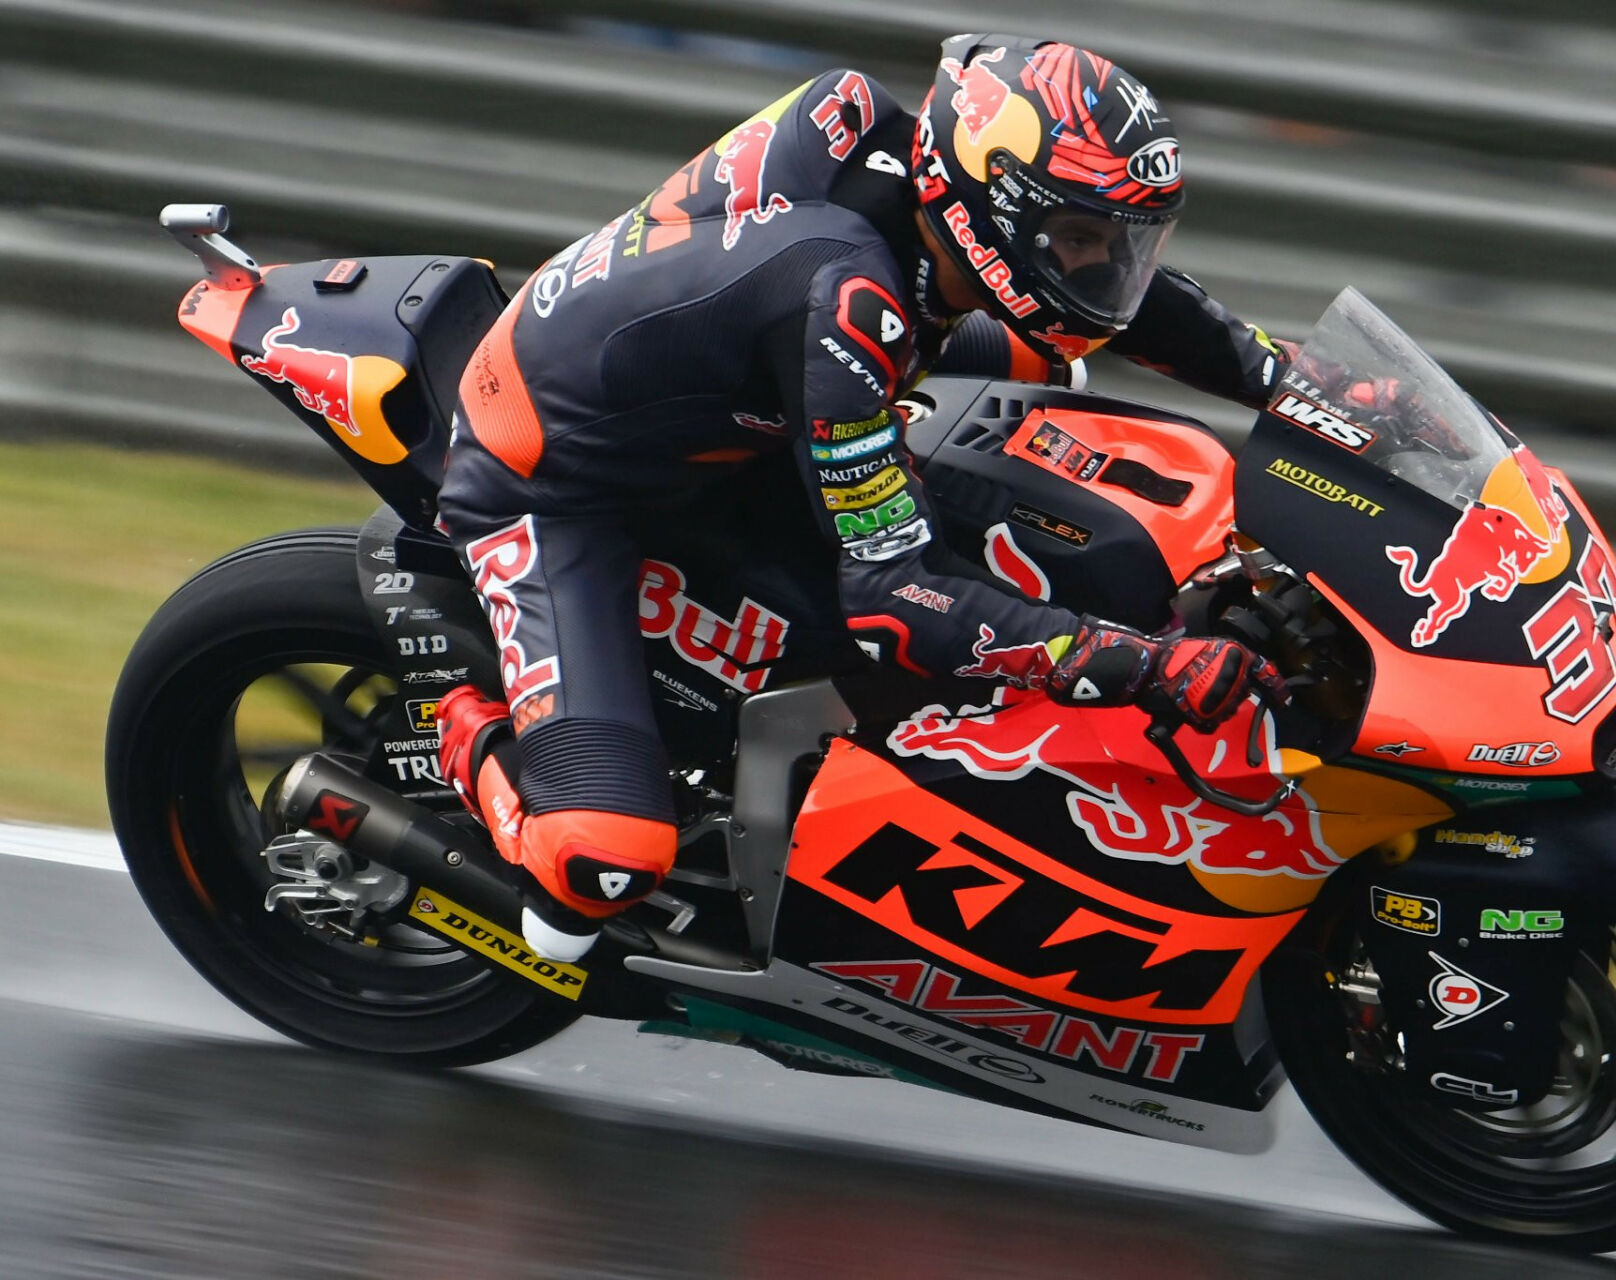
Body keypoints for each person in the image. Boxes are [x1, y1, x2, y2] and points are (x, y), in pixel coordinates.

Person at [434, 34, 1299, 961]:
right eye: (1082, 239)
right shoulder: (846, 292)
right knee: (593, 874)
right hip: (553, 478)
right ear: (993, 203)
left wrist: (1309, 392)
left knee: (1050, 380)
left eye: (1119, 243)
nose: (1105, 270)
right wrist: (1138, 665)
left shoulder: (919, 202)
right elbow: (890, 598)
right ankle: (451, 721)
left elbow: (1136, 306)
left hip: (733, 409)